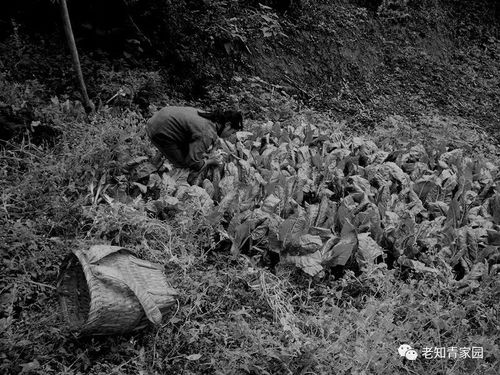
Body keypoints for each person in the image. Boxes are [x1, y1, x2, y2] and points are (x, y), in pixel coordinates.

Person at [146, 106, 243, 171]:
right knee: (183, 165)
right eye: (232, 132)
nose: (231, 135)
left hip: (159, 117)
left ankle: (160, 158)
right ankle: (153, 169)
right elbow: (193, 163)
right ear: (227, 125)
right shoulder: (207, 133)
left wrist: (204, 153)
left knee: (187, 152)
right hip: (157, 129)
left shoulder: (209, 116)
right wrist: (212, 161)